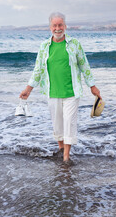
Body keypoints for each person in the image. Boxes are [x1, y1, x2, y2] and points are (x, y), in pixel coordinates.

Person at [19, 12, 101, 164]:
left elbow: (84, 65)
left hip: (71, 92)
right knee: (57, 125)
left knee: (69, 122)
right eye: (55, 25)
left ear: (65, 26)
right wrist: (28, 89)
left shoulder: (74, 44)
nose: (58, 28)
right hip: (52, 92)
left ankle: (66, 158)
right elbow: (37, 69)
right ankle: (61, 150)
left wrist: (92, 86)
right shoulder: (44, 46)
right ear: (50, 27)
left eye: (60, 25)